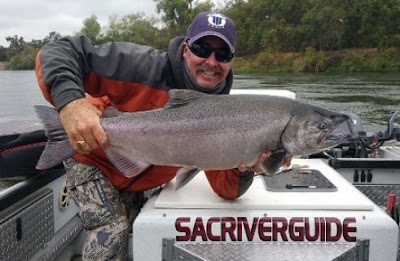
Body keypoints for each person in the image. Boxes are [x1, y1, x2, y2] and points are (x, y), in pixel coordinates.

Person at [36, 11, 291, 260]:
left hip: (137, 173)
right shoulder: (140, 66)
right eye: (202, 49)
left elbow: (226, 189)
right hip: (90, 156)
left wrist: (247, 166)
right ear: (185, 49)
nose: (211, 61)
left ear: (231, 60)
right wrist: (70, 103)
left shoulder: (226, 113)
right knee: (113, 231)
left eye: (222, 54)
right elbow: (59, 50)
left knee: (140, 226)